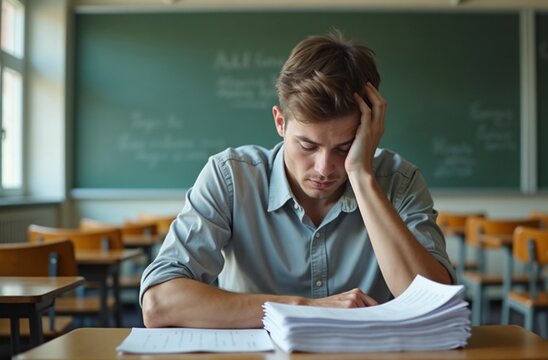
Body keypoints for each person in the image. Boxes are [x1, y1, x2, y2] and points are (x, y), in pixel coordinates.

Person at [140, 31, 454, 329]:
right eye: (307, 145)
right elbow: (159, 303)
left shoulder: (399, 181)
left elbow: (435, 305)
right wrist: (305, 307)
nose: (325, 168)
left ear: (369, 131)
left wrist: (361, 175)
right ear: (280, 121)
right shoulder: (231, 177)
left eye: (344, 147)